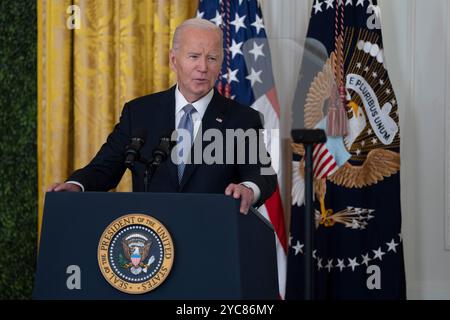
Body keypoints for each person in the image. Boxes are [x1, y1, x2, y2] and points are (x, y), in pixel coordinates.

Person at [47, 18, 276, 214]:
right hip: (151, 243)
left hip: (213, 238)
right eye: (194, 56)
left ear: (220, 64)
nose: (203, 67)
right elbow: (105, 168)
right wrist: (77, 185)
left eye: (212, 58)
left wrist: (248, 189)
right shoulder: (139, 113)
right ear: (174, 60)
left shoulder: (243, 119)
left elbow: (262, 175)